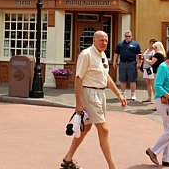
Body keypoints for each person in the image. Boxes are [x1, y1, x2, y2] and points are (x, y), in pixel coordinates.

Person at [60, 30, 127, 169]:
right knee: (104, 129)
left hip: (100, 95)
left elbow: (106, 77)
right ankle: (112, 166)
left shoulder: (102, 55)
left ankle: (67, 159)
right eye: (101, 40)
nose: (104, 43)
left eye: (106, 40)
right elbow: (78, 79)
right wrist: (79, 104)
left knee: (86, 128)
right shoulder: (86, 54)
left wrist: (119, 95)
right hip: (89, 94)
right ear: (94, 40)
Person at [145, 48, 169, 168]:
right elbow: (158, 86)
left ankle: (168, 158)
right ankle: (153, 150)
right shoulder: (163, 67)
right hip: (164, 101)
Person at [112, 30, 141, 101]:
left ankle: (133, 94)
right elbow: (116, 53)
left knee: (132, 80)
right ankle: (122, 93)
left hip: (132, 63)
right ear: (124, 36)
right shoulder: (120, 44)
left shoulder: (135, 44)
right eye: (126, 36)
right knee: (122, 79)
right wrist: (114, 62)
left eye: (129, 36)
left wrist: (139, 63)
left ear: (131, 37)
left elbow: (139, 55)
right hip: (122, 63)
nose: (128, 37)